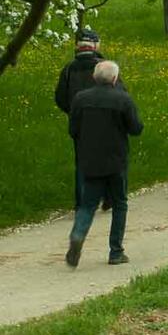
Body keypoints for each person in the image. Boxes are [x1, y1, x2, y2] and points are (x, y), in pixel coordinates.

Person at [65, 60, 142, 268]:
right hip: (116, 159)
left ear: (94, 77)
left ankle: (78, 234)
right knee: (119, 203)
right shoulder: (123, 99)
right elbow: (136, 128)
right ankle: (115, 251)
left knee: (88, 204)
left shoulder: (81, 99)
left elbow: (73, 130)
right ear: (115, 78)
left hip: (90, 159)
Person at [55, 28, 116, 211]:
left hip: (80, 122)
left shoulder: (68, 69)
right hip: (106, 121)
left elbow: (60, 97)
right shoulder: (105, 67)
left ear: (78, 47)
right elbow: (119, 93)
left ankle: (82, 201)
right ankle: (108, 197)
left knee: (82, 161)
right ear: (95, 45)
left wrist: (72, 111)